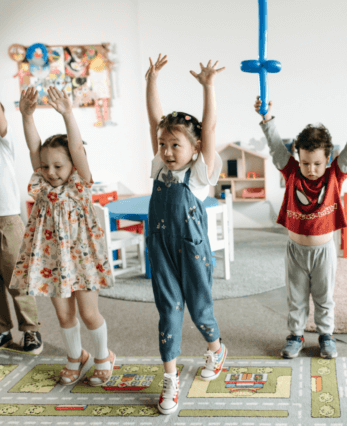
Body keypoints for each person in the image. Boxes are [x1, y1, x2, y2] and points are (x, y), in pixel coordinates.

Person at [10, 86, 115, 387]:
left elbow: (78, 149)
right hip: (51, 260)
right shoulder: (43, 184)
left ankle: (103, 357)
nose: (51, 172)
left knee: (89, 312)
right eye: (46, 166)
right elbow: (34, 149)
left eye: (59, 165)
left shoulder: (79, 183)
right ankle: (74, 356)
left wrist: (68, 113)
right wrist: (26, 115)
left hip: (81, 259)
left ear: (72, 165)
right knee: (64, 315)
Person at [255, 95, 347, 359]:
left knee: (324, 297)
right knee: (295, 298)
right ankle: (295, 335)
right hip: (296, 250)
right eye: (305, 162)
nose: (311, 169)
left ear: (328, 159)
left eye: (317, 163)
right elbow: (276, 149)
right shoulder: (292, 172)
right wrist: (267, 119)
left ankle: (326, 335)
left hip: (324, 251)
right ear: (298, 158)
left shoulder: (334, 175)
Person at [145, 55, 226, 415]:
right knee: (169, 311)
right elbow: (154, 120)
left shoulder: (197, 176)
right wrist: (151, 81)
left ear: (194, 150)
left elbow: (208, 129)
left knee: (199, 309)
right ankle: (171, 378)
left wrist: (208, 87)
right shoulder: (160, 166)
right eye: (164, 144)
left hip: (192, 251)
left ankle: (215, 348)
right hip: (161, 248)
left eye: (176, 145)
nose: (167, 150)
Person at [0, 84, 42, 355]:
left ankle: (31, 329)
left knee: (16, 278)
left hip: (7, 220)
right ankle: (1, 331)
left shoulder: (2, 142)